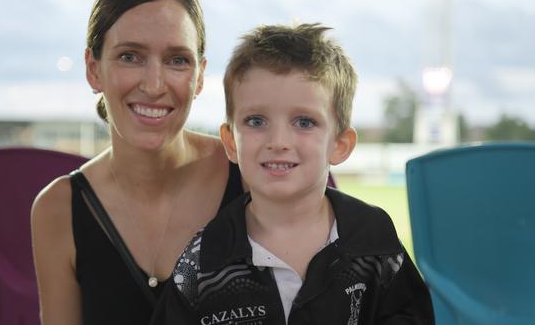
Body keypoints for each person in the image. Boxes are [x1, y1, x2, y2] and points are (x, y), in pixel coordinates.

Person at [151, 23, 434, 324]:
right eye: (256, 121)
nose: (278, 142)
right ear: (231, 142)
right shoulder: (203, 260)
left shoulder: (372, 239)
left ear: (339, 145)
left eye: (304, 122)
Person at [30, 0, 244, 325]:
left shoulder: (250, 174)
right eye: (130, 56)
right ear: (93, 69)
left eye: (178, 60)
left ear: (201, 76)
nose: (154, 84)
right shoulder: (59, 209)